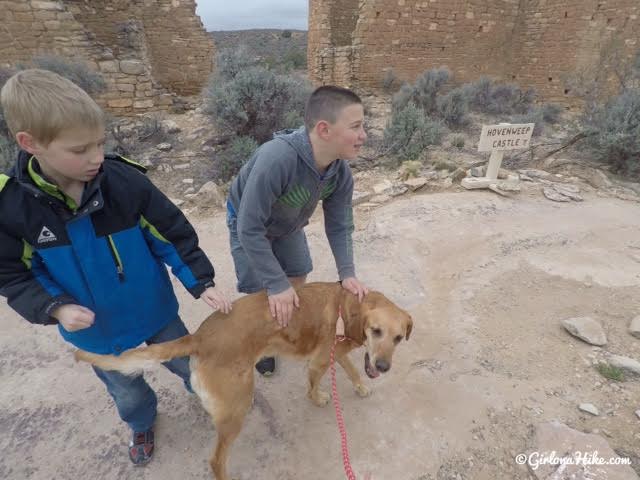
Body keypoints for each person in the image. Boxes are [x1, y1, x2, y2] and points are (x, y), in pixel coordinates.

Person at [0, 69, 231, 466]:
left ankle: (211, 396)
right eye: (79, 150)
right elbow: (12, 274)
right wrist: (55, 306)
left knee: (189, 361)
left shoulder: (123, 182)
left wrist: (200, 281)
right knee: (127, 390)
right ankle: (142, 423)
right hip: (97, 330)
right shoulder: (12, 207)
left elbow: (170, 232)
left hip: (153, 310)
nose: (95, 159)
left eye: (100, 143)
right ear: (29, 143)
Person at [226, 85, 369, 376]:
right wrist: (275, 284)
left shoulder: (339, 172)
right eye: (356, 126)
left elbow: (340, 224)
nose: (363, 135)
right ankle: (259, 343)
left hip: (288, 226)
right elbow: (248, 227)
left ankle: (280, 329)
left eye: (363, 126)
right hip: (249, 226)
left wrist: (347, 273)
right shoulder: (278, 159)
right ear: (324, 130)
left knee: (297, 274)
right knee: (260, 291)